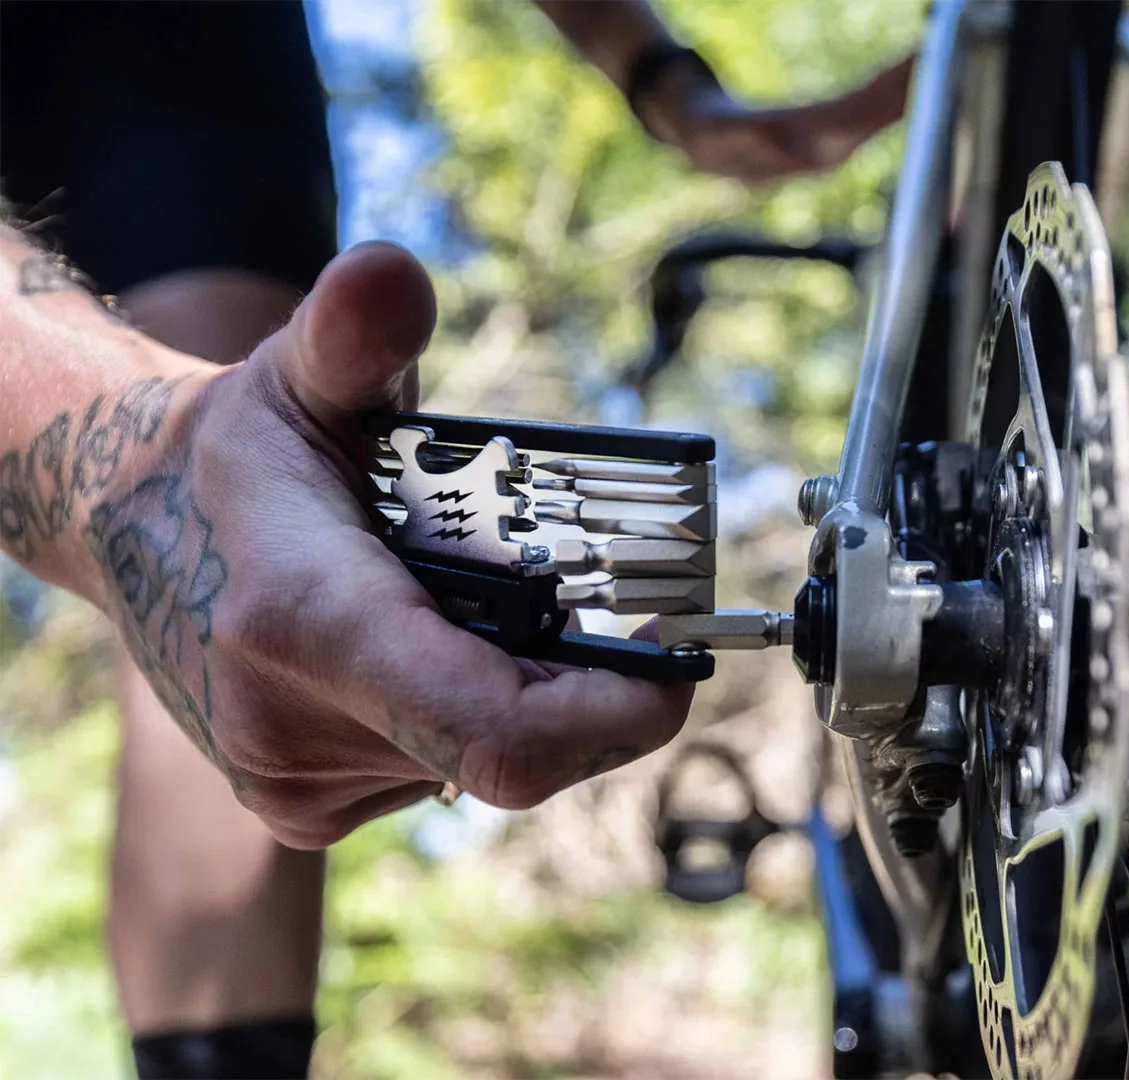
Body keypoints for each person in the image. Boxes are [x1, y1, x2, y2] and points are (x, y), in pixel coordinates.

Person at [0, 3, 909, 1076]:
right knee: (208, 520)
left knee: (249, 492)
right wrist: (130, 480)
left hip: (174, 56)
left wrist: (664, 80)